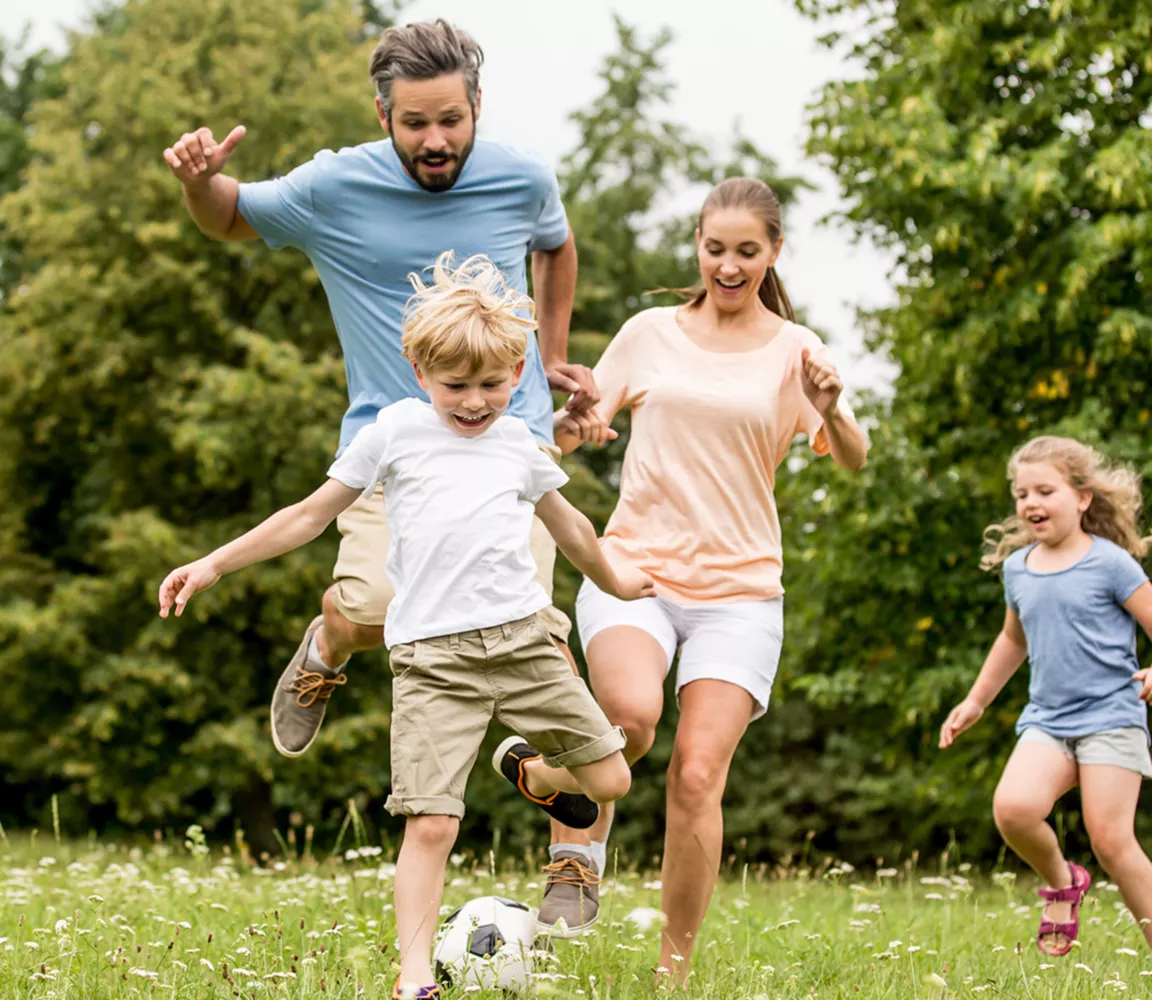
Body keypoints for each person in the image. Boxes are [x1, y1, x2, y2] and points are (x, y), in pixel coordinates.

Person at [157, 253, 647, 1000]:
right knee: (431, 824)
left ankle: (532, 773)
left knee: (611, 777)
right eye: (456, 386)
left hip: (524, 646)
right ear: (419, 372)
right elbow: (308, 515)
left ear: (519, 372)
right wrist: (214, 563)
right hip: (433, 662)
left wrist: (617, 581)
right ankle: (413, 978)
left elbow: (571, 526)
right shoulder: (395, 433)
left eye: (492, 384)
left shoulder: (519, 444)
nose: (475, 402)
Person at [160, 18, 593, 759]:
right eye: (415, 123)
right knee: (376, 611)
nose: (436, 140)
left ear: (477, 106)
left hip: (510, 438)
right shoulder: (334, 187)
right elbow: (227, 217)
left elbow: (554, 243)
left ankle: (573, 825)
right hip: (390, 450)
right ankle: (329, 641)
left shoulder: (522, 178)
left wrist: (549, 356)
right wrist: (199, 183)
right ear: (383, 114)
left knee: (534, 634)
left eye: (451, 120)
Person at [546, 177, 870, 982]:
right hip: (637, 569)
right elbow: (578, 430)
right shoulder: (649, 333)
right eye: (715, 248)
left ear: (774, 252)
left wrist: (831, 409)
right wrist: (571, 426)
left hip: (742, 594)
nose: (728, 266)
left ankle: (674, 973)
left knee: (696, 774)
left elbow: (853, 457)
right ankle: (576, 850)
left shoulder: (796, 351)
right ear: (696, 244)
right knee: (628, 717)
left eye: (746, 252)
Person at [938, 436, 1152, 956]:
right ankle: (1063, 881)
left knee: (1111, 841)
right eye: (1021, 494)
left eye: (1044, 491)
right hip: (1049, 719)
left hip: (1112, 716)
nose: (1030, 502)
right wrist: (976, 701)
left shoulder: (1111, 564)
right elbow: (1014, 640)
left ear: (1082, 498)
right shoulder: (1019, 568)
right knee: (1013, 809)